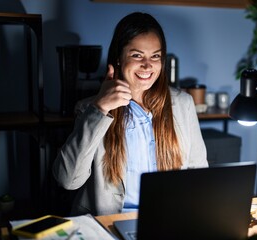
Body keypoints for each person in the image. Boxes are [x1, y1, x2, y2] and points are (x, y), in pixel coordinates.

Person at [53, 12, 208, 216]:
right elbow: (68, 180)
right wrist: (100, 109)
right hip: (109, 223)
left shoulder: (183, 103)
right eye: (137, 55)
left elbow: (199, 175)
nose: (147, 65)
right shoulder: (89, 108)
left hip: (167, 219)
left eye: (155, 56)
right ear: (118, 58)